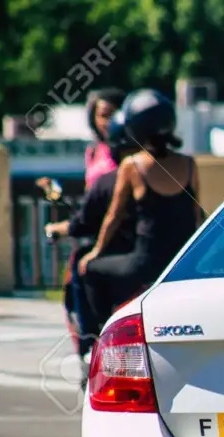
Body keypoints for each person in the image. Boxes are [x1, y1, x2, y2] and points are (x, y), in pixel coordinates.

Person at [79, 89, 202, 331]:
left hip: (144, 263)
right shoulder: (189, 164)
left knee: (90, 270)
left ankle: (101, 335)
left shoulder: (132, 165)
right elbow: (196, 217)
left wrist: (95, 252)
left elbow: (113, 217)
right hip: (179, 264)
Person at [45, 110, 140, 358]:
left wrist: (59, 230)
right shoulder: (171, 172)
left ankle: (91, 341)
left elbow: (93, 221)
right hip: (161, 260)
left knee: (84, 266)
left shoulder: (112, 181)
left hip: (129, 259)